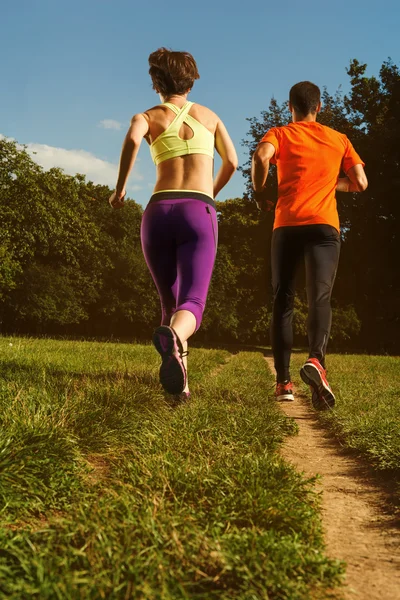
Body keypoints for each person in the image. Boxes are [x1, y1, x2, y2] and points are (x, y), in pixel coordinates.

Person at [109, 48, 237, 400]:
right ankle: (177, 340)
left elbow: (133, 139)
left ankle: (180, 387)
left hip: (157, 211)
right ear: (191, 81)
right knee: (192, 301)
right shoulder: (210, 117)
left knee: (169, 301)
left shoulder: (146, 116)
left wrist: (120, 189)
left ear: (155, 83)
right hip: (198, 210)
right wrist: (208, 192)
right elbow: (234, 162)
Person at [251, 81, 367, 409]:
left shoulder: (281, 133)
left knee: (282, 301)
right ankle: (316, 362)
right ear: (319, 107)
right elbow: (360, 182)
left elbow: (261, 157)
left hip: (287, 224)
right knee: (320, 297)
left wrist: (261, 194)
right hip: (325, 227)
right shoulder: (339, 139)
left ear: (291, 108)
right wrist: (332, 182)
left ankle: (283, 383)